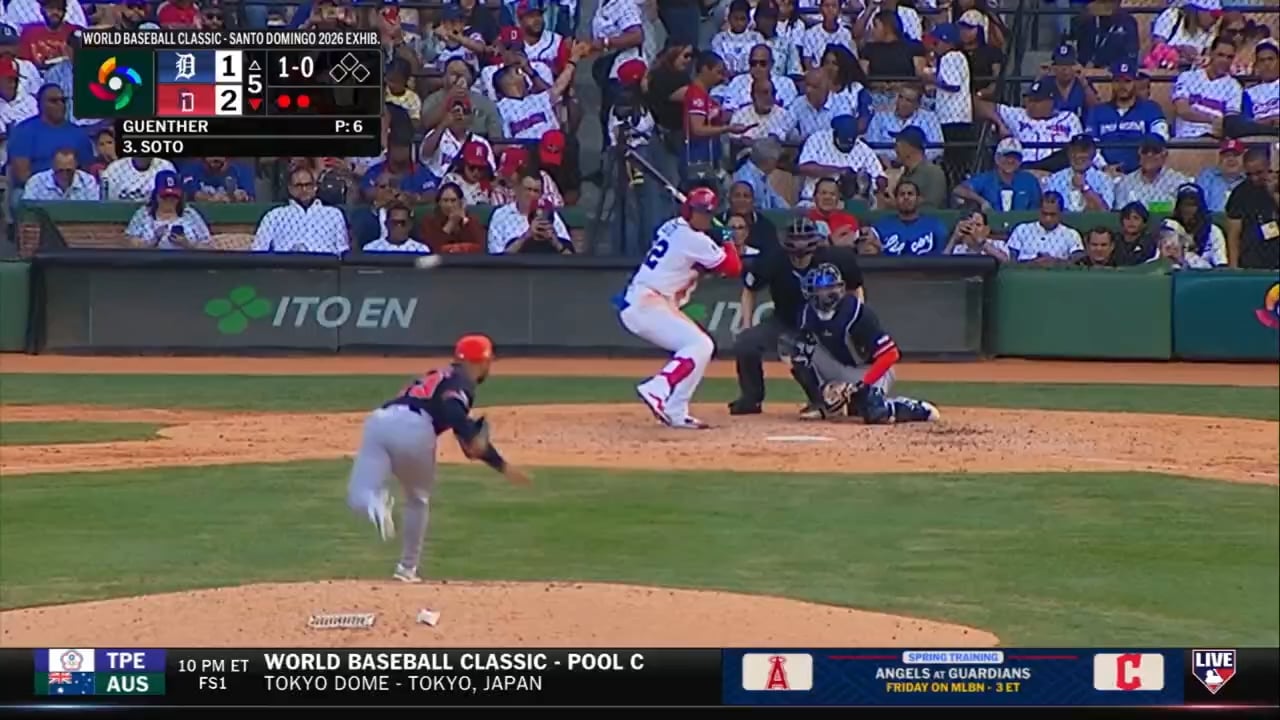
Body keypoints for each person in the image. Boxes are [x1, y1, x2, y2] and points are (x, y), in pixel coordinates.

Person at [347, 334, 530, 584]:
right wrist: (499, 463)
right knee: (417, 499)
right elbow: (454, 413)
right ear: (480, 362)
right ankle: (407, 568)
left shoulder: (439, 375)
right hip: (415, 428)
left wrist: (469, 434)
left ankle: (374, 503)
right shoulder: (462, 380)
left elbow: (460, 425)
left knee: (359, 493)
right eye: (488, 361)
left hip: (379, 421)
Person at [613, 187, 743, 429]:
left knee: (700, 347)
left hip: (647, 300)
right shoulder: (694, 240)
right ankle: (658, 387)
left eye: (708, 213)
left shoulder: (672, 226)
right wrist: (726, 237)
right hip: (648, 302)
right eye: (700, 212)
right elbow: (733, 267)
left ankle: (676, 410)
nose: (704, 218)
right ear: (688, 210)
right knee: (700, 345)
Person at [728, 216, 863, 418]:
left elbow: (855, 289)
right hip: (785, 319)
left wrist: (855, 319)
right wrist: (747, 324)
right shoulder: (773, 259)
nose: (800, 252)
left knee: (806, 351)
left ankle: (826, 400)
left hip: (823, 321)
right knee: (746, 342)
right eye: (796, 244)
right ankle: (751, 398)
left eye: (805, 244)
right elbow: (750, 289)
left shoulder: (835, 258)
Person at [795, 263, 940, 424]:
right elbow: (802, 353)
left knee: (874, 412)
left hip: (870, 370)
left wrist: (860, 386)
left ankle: (915, 408)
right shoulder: (808, 314)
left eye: (825, 289)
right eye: (818, 290)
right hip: (840, 366)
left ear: (838, 290)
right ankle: (821, 404)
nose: (820, 294)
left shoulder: (856, 313)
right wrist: (824, 391)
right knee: (796, 349)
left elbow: (890, 354)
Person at [979, 79, 1084, 172]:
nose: (1031, 105)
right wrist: (999, 123)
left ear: (1051, 102)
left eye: (1037, 101)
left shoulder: (1069, 118)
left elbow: (1080, 146)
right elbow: (979, 105)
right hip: (1024, 167)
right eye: (1030, 100)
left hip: (1057, 170)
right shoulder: (1017, 114)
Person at [1083, 60, 1168, 174]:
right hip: (1104, 173)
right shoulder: (1098, 111)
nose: (1122, 86)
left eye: (1127, 81)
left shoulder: (1151, 108)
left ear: (1135, 83)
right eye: (1117, 81)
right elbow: (1090, 144)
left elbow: (1160, 137)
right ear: (1112, 83)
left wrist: (1143, 165)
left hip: (1141, 172)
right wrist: (1104, 167)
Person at [250, 167, 349, 254]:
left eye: (308, 185)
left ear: (315, 187)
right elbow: (258, 250)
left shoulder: (334, 214)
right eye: (299, 185)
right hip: (286, 267)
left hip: (324, 267)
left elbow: (343, 252)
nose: (304, 189)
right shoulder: (274, 215)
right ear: (290, 188)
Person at [796, 113, 886, 205]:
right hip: (812, 200)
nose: (847, 146)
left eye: (851, 143)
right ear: (835, 134)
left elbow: (881, 178)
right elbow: (804, 168)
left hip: (849, 203)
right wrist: (839, 172)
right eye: (844, 143)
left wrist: (869, 182)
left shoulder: (863, 149)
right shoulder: (818, 139)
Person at [922, 24, 972, 184]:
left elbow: (953, 85)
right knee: (955, 162)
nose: (934, 46)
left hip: (953, 118)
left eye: (936, 42)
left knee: (954, 162)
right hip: (956, 116)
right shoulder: (955, 57)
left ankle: (957, 189)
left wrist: (931, 79)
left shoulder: (951, 57)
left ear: (946, 42)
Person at [487, 169, 574, 254]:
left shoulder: (550, 215)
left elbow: (569, 257)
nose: (532, 195)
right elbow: (496, 258)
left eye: (536, 191)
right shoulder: (501, 215)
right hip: (516, 263)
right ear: (517, 189)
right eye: (528, 189)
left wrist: (554, 240)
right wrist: (527, 235)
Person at [1172, 37, 1243, 139]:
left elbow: (1230, 122)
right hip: (1186, 137)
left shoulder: (1234, 86)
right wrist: (1212, 119)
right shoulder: (1187, 77)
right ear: (1211, 53)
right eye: (1220, 55)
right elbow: (1182, 110)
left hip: (1214, 140)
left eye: (1229, 57)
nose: (1225, 60)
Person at [124, 170, 212, 250]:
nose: (169, 200)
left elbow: (209, 247)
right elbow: (129, 246)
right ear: (156, 196)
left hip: (186, 261)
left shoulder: (190, 214)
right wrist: (154, 240)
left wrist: (187, 244)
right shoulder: (144, 214)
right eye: (165, 196)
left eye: (174, 196)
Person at [1225, 145, 1280, 269]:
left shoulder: (1277, 188)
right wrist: (1233, 267)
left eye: (1259, 173)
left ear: (1268, 166)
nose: (1254, 178)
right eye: (1249, 174)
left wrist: (1274, 194)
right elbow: (1233, 234)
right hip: (1251, 260)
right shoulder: (1240, 193)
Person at [953, 137, 1041, 212]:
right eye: (1006, 156)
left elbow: (1037, 207)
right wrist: (982, 201)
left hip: (1023, 225)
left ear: (1020, 161)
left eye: (1015, 157)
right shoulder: (987, 178)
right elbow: (959, 190)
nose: (1011, 160)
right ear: (997, 158)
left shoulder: (1029, 180)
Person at [864, 84, 944, 165]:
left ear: (917, 105)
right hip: (887, 163)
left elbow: (938, 148)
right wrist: (886, 158)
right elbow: (871, 144)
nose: (902, 103)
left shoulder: (929, 118)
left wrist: (914, 158)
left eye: (908, 100)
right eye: (900, 97)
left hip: (920, 163)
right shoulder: (880, 116)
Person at [1113, 134, 1190, 213]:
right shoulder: (1125, 183)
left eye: (1155, 151)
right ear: (1139, 154)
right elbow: (1119, 212)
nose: (1149, 155)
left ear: (1164, 155)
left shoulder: (1178, 182)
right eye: (1145, 151)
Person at [1002, 191, 1084, 265]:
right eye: (1044, 214)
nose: (1048, 219)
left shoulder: (1071, 234)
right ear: (1039, 211)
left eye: (1052, 214)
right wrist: (1034, 262)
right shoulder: (1022, 230)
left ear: (1061, 213)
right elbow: (1011, 260)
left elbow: (1078, 261)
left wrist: (1054, 262)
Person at [869, 180, 948, 256]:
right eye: (902, 194)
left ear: (919, 199)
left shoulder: (935, 226)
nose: (906, 197)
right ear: (896, 200)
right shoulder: (881, 226)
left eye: (910, 194)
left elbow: (944, 256)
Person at [1041, 134, 1114, 211]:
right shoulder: (1055, 179)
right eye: (1075, 151)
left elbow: (1104, 212)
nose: (1078, 155)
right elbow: (1049, 210)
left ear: (1093, 154)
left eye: (1084, 151)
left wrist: (1085, 188)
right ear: (1069, 153)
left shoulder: (1103, 179)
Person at [1166, 183, 1229, 266]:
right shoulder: (1169, 228)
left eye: (1192, 205)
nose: (1187, 210)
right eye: (1184, 204)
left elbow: (1221, 264)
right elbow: (1161, 261)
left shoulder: (1213, 231)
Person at [885, 125, 946, 209]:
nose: (895, 149)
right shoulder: (904, 174)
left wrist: (895, 204)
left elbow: (931, 206)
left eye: (897, 144)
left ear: (909, 147)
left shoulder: (933, 173)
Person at [420, 182, 486, 254]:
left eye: (453, 200)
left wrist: (465, 221)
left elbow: (480, 247)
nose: (449, 205)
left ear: (460, 202)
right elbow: (433, 249)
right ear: (439, 203)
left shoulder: (471, 220)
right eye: (445, 200)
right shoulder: (429, 221)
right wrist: (450, 225)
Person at [1071, 0, 1137, 70]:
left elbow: (1130, 56)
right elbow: (1078, 51)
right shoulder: (1085, 21)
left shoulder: (1128, 22)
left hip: (1113, 72)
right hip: (1085, 70)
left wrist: (1107, 69)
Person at [1037, 45, 1100, 118]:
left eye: (1068, 64)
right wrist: (1039, 79)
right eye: (1061, 64)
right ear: (1054, 66)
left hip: (1079, 123)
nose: (1064, 69)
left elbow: (1095, 106)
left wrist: (1083, 82)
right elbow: (1030, 107)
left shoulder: (1082, 82)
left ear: (1075, 66)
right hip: (1053, 124)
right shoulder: (1046, 82)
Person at [731, 136, 791, 209]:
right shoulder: (747, 180)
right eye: (776, 160)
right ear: (770, 162)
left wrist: (791, 212)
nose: (777, 164)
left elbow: (775, 199)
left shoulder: (761, 175)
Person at [957, 9, 1003, 101]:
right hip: (958, 98)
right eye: (962, 28)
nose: (964, 31)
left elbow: (996, 80)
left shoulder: (992, 52)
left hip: (983, 99)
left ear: (980, 30)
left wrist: (980, 94)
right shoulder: (955, 51)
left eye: (970, 28)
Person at [22, 146, 98, 200]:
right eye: (60, 171)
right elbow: (28, 212)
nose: (64, 175)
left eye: (69, 171)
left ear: (76, 165)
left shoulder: (88, 181)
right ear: (53, 166)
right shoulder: (36, 182)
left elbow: (94, 211)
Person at [711, 0, 764, 76]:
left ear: (749, 20)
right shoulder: (719, 39)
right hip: (725, 79)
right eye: (735, 18)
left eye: (742, 19)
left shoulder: (757, 38)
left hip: (751, 78)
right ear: (729, 18)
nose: (739, 23)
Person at [800, 0, 855, 72]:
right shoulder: (810, 33)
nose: (830, 9)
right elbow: (807, 62)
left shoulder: (846, 34)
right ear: (821, 9)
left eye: (834, 6)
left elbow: (851, 61)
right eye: (826, 6)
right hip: (819, 74)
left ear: (839, 10)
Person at [1195, 138, 1247, 213]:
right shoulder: (1208, 176)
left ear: (1243, 158)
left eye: (1235, 155)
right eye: (1226, 156)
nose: (1231, 159)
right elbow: (1198, 206)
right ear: (1220, 159)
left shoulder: (1250, 178)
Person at [1243, 39, 1278, 127]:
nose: (1267, 64)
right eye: (1262, 60)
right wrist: (1270, 121)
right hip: (1259, 133)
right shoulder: (1249, 93)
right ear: (1257, 65)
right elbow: (1246, 123)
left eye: (1270, 59)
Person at [944, 210, 1008, 258]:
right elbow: (944, 265)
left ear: (986, 229)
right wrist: (954, 239)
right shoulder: (958, 248)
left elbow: (1005, 260)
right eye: (971, 225)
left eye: (978, 225)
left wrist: (981, 242)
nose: (974, 228)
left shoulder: (998, 244)